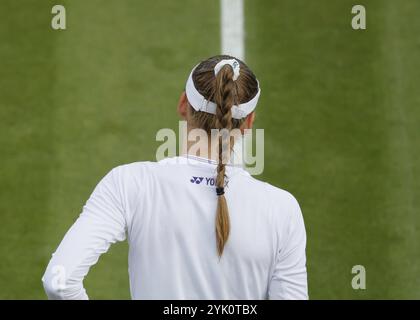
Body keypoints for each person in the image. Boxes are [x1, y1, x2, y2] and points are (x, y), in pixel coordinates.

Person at [42, 55, 308, 300]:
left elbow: (60, 282)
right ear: (249, 123)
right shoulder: (283, 209)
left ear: (183, 104)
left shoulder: (128, 184)